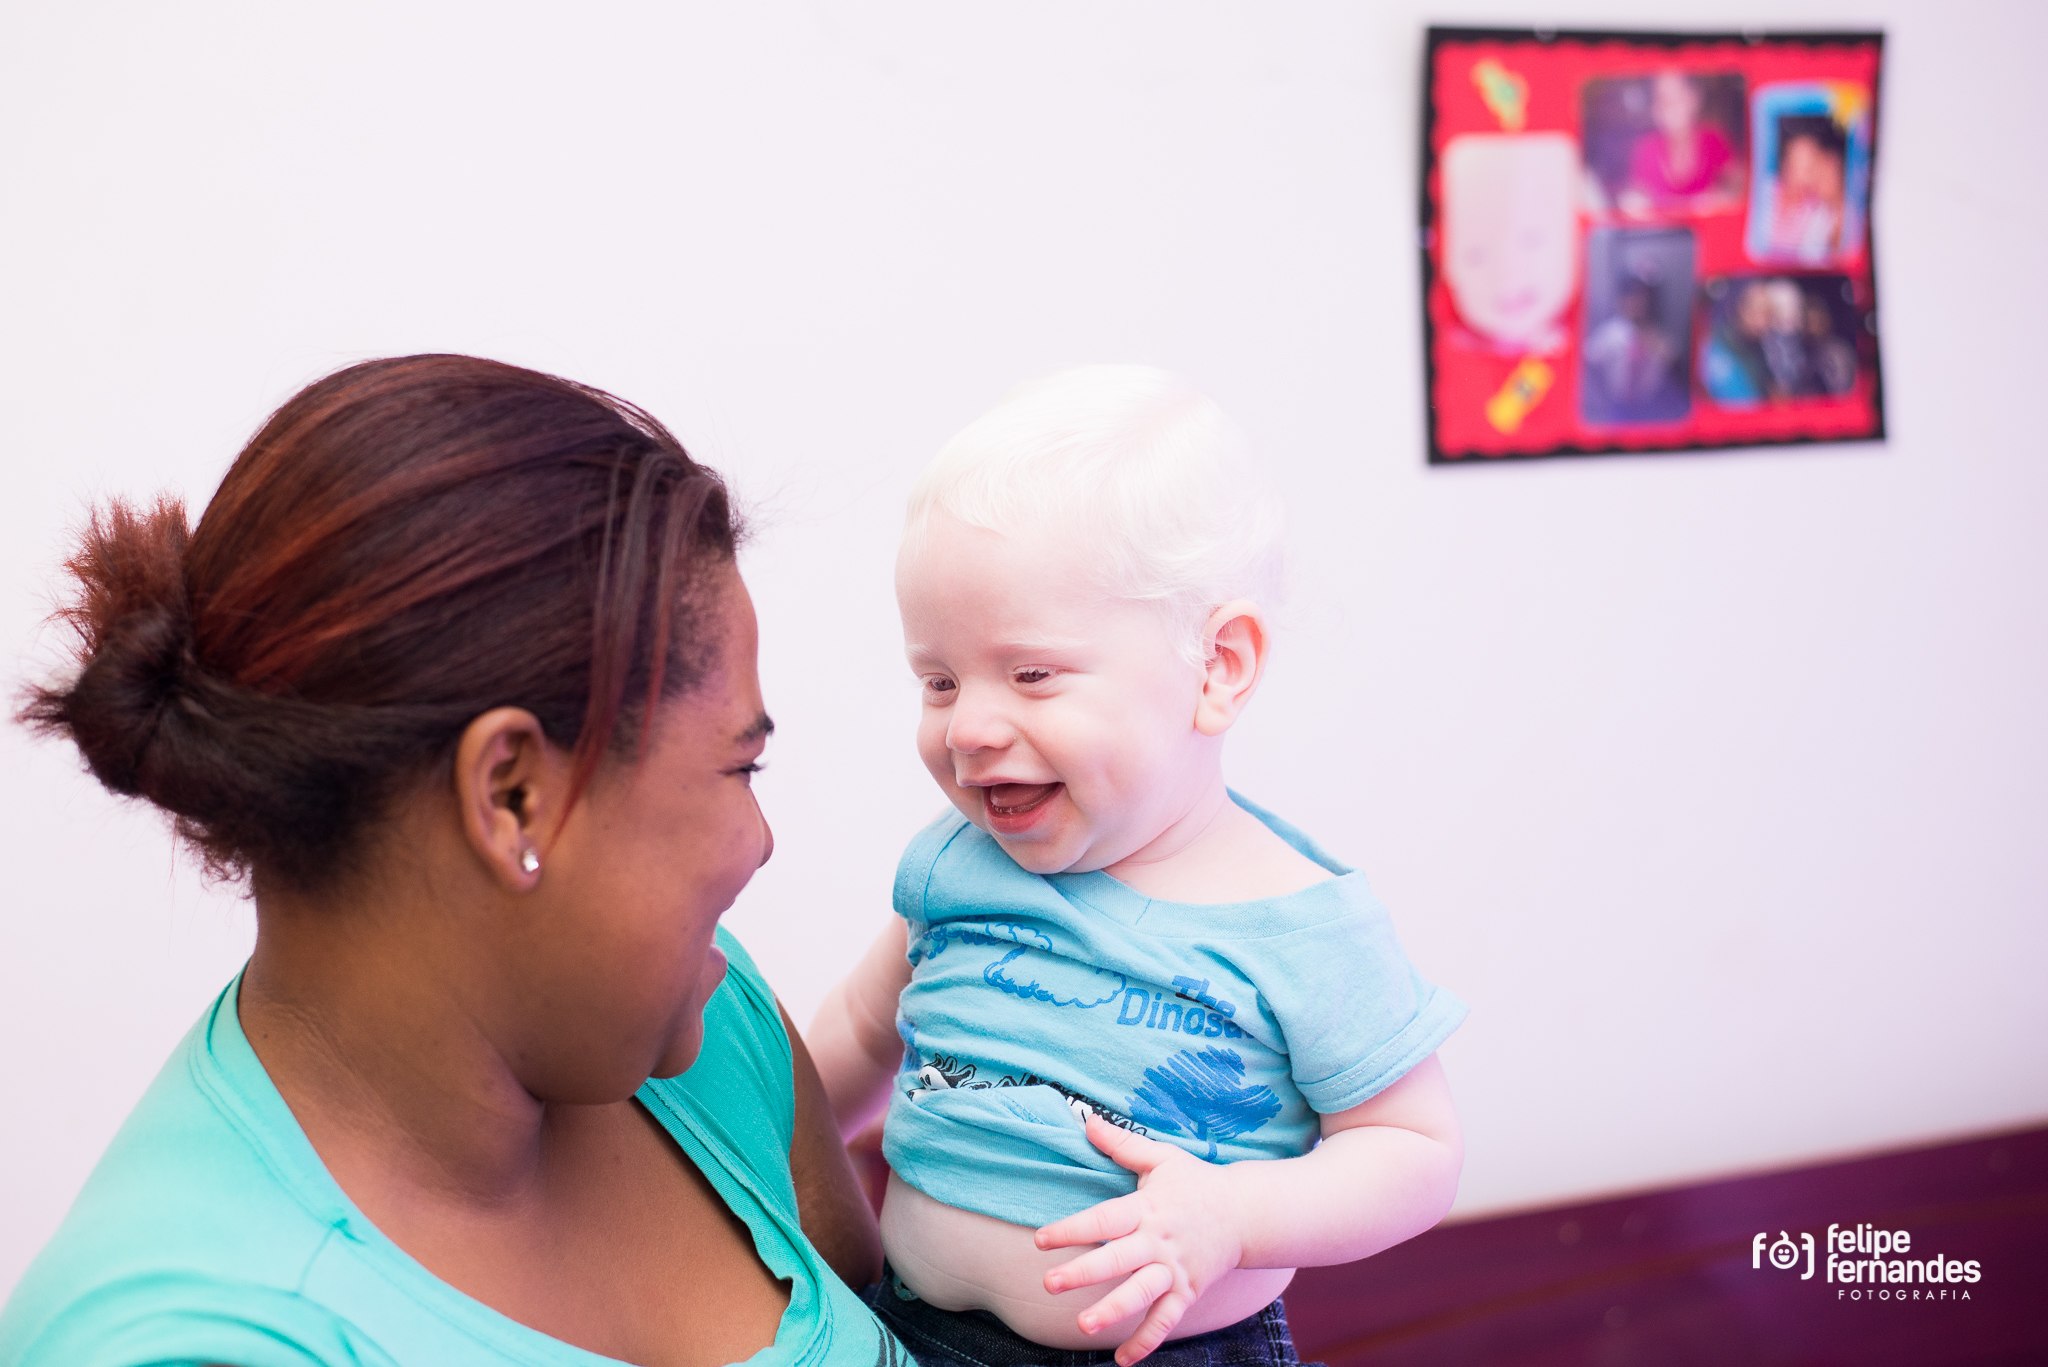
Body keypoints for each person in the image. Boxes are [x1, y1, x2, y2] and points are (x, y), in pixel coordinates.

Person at [0, 355, 904, 1367]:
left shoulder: (703, 1032)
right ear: (509, 792)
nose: (761, 840)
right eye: (742, 764)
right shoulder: (194, 1343)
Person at [808, 368, 1467, 1367]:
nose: (971, 727)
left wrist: (1233, 1214)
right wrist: (769, 1155)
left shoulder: (1296, 921)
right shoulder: (955, 865)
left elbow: (1415, 1152)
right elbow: (862, 1028)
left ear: (1217, 667)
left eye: (1031, 673)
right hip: (910, 1331)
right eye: (937, 680)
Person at [1616, 71, 1742, 216]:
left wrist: (1722, 198)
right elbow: (1635, 197)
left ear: (1693, 98)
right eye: (1660, 98)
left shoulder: (1714, 140)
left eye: (1675, 97)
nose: (1667, 106)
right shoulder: (1646, 149)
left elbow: (1738, 186)